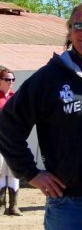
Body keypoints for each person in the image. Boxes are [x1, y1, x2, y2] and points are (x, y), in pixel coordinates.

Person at [0, 1, 82, 230]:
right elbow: (7, 125)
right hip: (67, 205)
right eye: (79, 25)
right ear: (70, 32)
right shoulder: (48, 78)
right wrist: (31, 173)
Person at [0, 67, 22, 216]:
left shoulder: (15, 97)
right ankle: (1, 205)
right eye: (7, 79)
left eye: (12, 79)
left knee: (14, 172)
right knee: (0, 172)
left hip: (13, 139)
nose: (11, 82)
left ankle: (13, 206)